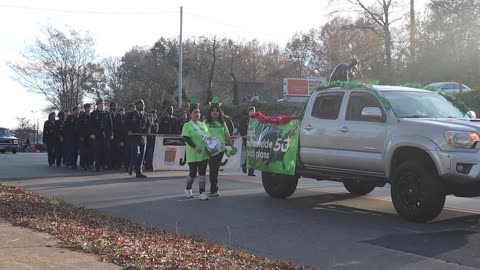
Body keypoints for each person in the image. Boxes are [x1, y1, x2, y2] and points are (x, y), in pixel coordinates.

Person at [204, 101, 236, 197]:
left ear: (220, 112)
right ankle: (212, 188)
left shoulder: (222, 123)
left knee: (215, 169)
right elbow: (201, 134)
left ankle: (214, 189)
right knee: (212, 168)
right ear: (210, 112)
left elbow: (227, 135)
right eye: (213, 111)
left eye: (217, 111)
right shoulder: (205, 122)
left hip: (220, 150)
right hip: (209, 150)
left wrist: (232, 145)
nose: (215, 113)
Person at [181, 98, 210, 200]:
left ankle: (202, 193)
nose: (197, 114)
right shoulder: (187, 125)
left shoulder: (203, 125)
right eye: (195, 112)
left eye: (198, 112)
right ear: (190, 114)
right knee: (193, 172)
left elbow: (208, 137)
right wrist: (195, 146)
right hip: (193, 152)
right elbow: (186, 138)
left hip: (203, 152)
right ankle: (188, 188)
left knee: (202, 172)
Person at [126, 99, 150, 178]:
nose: (143, 106)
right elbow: (126, 124)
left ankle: (138, 172)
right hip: (133, 137)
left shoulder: (146, 115)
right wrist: (128, 130)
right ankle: (131, 165)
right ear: (137, 106)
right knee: (135, 152)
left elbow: (148, 125)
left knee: (141, 155)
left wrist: (147, 131)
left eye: (143, 105)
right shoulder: (131, 114)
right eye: (142, 105)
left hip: (142, 137)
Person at [89, 99, 113, 172]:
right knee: (98, 151)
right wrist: (92, 133)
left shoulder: (107, 113)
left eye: (103, 104)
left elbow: (110, 124)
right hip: (97, 135)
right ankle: (98, 166)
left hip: (106, 135)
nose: (102, 105)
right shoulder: (94, 113)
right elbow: (91, 125)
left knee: (106, 150)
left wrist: (111, 134)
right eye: (101, 104)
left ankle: (103, 164)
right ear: (97, 105)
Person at [78, 103, 94, 170]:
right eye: (87, 108)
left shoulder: (91, 116)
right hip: (83, 137)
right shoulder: (82, 116)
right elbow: (79, 127)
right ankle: (83, 164)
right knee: (83, 152)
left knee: (90, 151)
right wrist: (81, 136)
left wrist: (93, 134)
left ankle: (89, 164)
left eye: (89, 108)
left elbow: (93, 126)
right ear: (85, 109)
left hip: (90, 137)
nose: (88, 109)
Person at [242, 106, 256, 176]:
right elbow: (241, 128)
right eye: (251, 111)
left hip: (254, 139)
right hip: (246, 139)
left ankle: (251, 171)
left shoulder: (257, 119)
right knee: (249, 153)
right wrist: (243, 135)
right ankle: (245, 166)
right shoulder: (245, 120)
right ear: (248, 112)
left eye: (253, 111)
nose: (252, 112)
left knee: (252, 154)